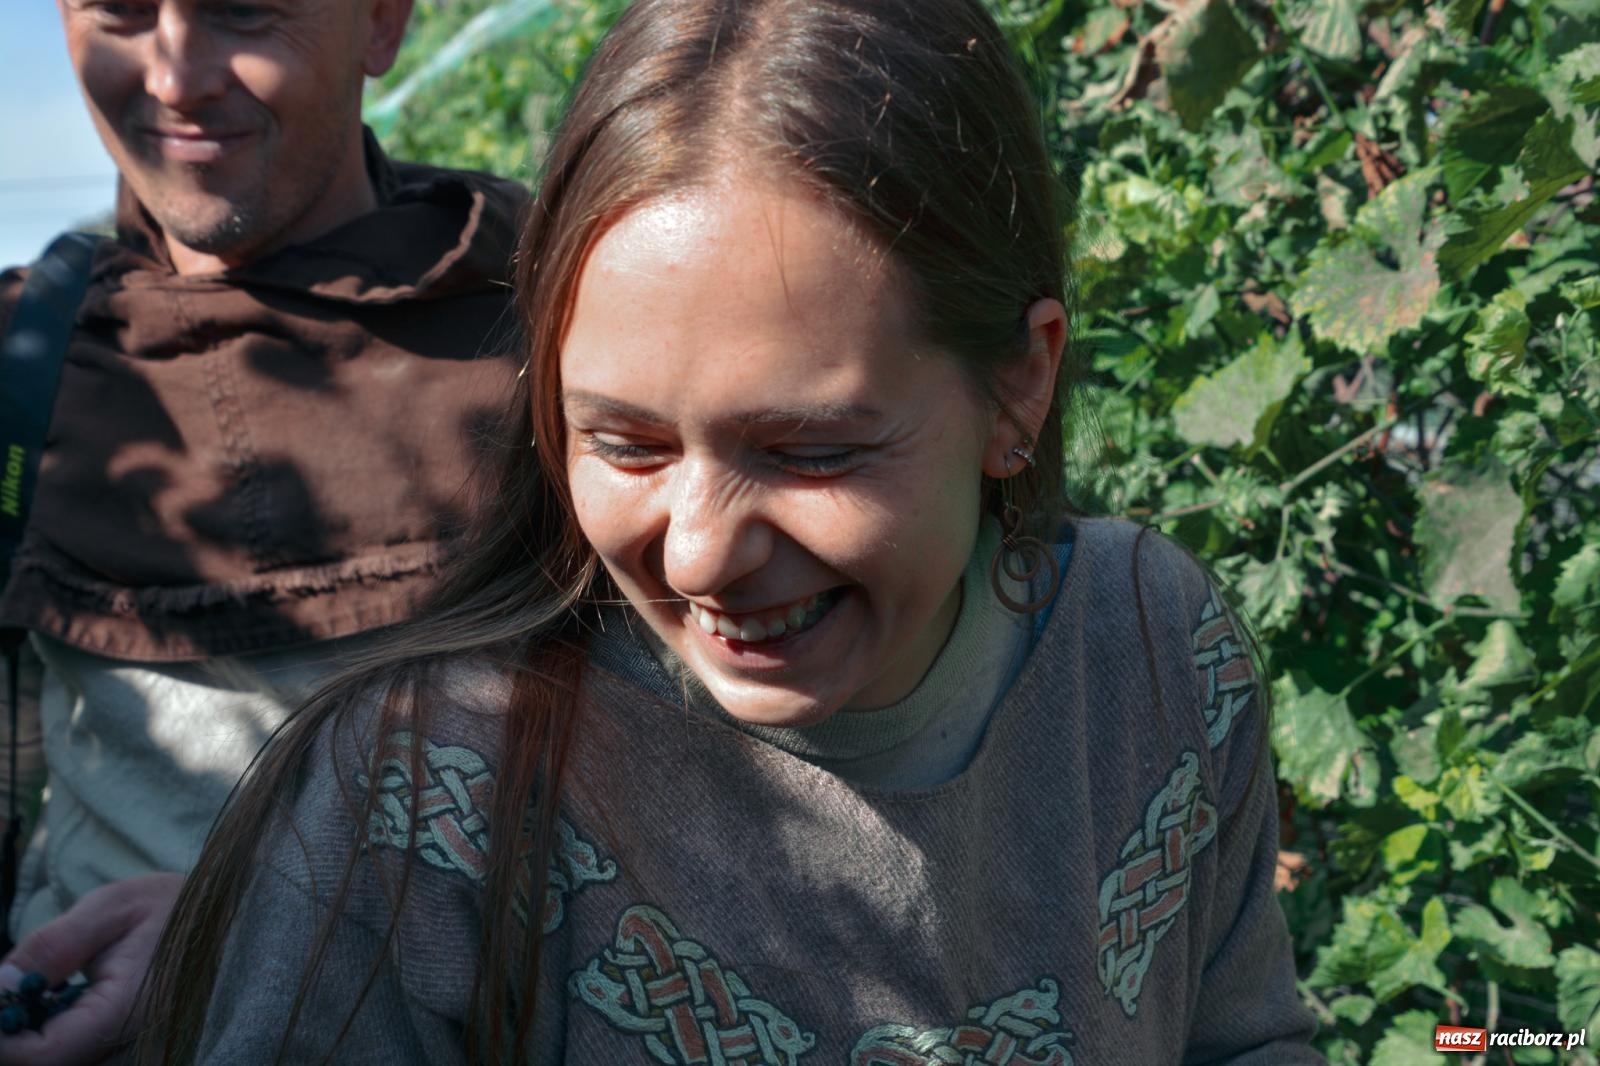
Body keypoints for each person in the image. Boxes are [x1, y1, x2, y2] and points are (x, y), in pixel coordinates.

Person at [140, 0, 1325, 1062]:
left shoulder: (1153, 648)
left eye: (810, 452)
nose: (699, 554)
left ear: (1019, 385)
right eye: (625, 444)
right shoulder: (426, 809)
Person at [0, 1, 526, 1061]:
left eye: (243, 10)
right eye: (119, 13)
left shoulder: (552, 325)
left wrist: (240, 929)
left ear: (382, 23)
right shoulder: (27, 356)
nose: (175, 75)